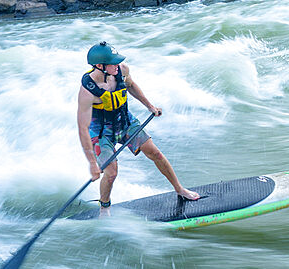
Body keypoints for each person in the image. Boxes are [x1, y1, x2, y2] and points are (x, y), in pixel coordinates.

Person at [78, 41, 200, 208]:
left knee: (155, 153)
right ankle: (104, 207)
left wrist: (150, 106)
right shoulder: (88, 90)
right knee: (111, 173)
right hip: (101, 131)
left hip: (125, 121)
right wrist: (92, 163)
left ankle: (179, 189)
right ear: (99, 66)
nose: (117, 65)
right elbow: (82, 127)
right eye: (112, 63)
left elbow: (131, 85)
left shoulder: (122, 70)